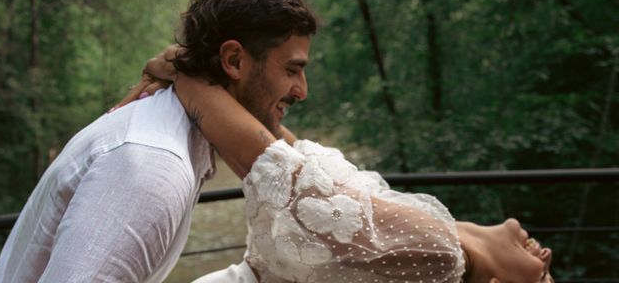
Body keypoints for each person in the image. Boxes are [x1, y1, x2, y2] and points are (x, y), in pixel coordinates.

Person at [0, 0, 318, 282]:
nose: (302, 91)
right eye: (291, 70)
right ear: (233, 61)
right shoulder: (152, 169)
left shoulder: (169, 132)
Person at [152, 74, 554, 283]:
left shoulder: (441, 257)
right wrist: (221, 86)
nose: (548, 259)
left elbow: (279, 173)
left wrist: (190, 81)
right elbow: (309, 171)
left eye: (545, 279)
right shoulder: (443, 236)